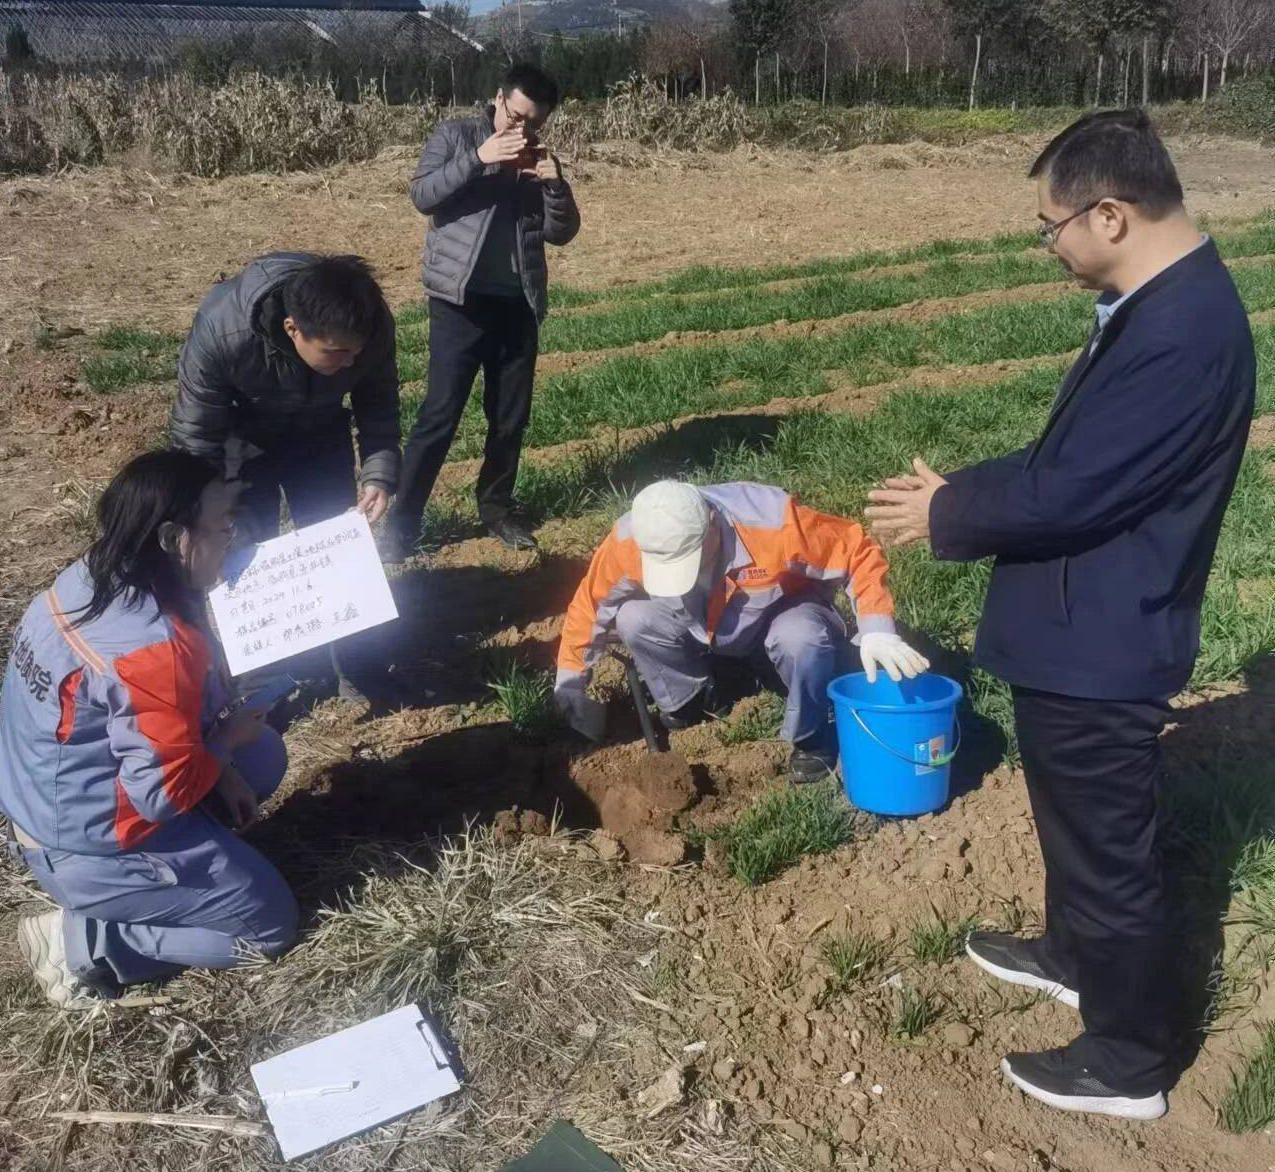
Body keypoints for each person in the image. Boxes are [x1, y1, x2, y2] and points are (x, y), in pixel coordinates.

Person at [865, 110, 1255, 1120]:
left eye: (1053, 227)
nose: (1050, 248)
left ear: (1110, 214)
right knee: (1076, 825)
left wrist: (946, 511)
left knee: (1113, 853)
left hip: (1105, 639)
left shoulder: (1183, 331)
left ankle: (1128, 1057)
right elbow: (1069, 465)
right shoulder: (1160, 301)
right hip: (1077, 625)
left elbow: (1076, 490)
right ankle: (1071, 954)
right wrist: (965, 487)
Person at [0, 451, 299, 1009]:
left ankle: (179, 879)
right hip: (91, 843)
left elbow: (158, 716)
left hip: (49, 807)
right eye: (224, 526)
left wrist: (227, 758)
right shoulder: (150, 648)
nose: (233, 537)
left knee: (262, 756)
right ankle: (90, 941)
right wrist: (223, 743)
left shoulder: (89, 575)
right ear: (169, 538)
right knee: (268, 929)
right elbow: (158, 797)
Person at [554, 480, 929, 780]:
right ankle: (690, 700)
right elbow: (589, 605)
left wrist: (878, 628)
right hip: (702, 624)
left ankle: (811, 737)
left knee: (801, 638)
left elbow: (855, 550)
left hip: (781, 614)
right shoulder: (632, 537)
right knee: (633, 617)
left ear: (713, 528)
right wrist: (570, 681)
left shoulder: (771, 522)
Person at [171, 252, 401, 704]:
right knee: (248, 558)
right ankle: (264, 687)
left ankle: (356, 668)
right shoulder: (225, 329)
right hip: (241, 446)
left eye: (357, 352)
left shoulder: (367, 325)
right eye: (337, 354)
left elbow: (378, 401)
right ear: (293, 328)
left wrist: (379, 473)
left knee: (335, 549)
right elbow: (196, 433)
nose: (351, 362)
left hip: (319, 436)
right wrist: (205, 509)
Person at [381, 62, 582, 561]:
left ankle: (496, 508)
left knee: (509, 418)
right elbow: (423, 195)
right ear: (497, 99)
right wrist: (479, 157)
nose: (522, 130)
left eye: (534, 123)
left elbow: (562, 232)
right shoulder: (456, 135)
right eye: (515, 117)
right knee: (439, 415)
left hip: (517, 303)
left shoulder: (537, 155)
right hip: (459, 301)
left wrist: (555, 186)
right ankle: (402, 523)